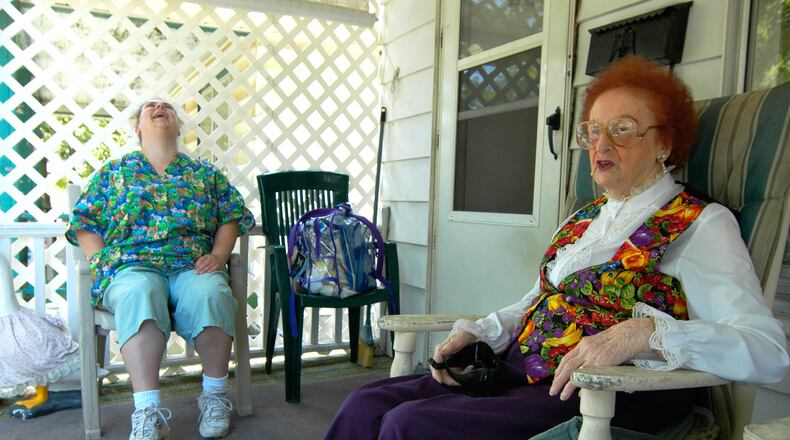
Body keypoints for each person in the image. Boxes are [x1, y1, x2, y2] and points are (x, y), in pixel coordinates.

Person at [325, 56, 790, 439]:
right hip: (522, 374)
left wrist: (645, 333)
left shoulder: (699, 223)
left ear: (665, 142)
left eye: (623, 129)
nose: (600, 144)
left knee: (412, 426)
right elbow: (537, 301)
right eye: (592, 131)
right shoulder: (583, 221)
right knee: (365, 405)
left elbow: (767, 350)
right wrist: (481, 331)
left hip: (607, 395)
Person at [66, 98, 254, 440]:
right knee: (140, 293)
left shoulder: (204, 174)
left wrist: (220, 254)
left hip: (190, 264)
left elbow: (231, 216)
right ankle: (147, 411)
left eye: (167, 107)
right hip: (132, 266)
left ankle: (214, 398)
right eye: (150, 107)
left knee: (211, 292)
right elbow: (84, 223)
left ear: (179, 126)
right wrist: (100, 261)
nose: (159, 108)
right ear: (138, 127)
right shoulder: (114, 173)